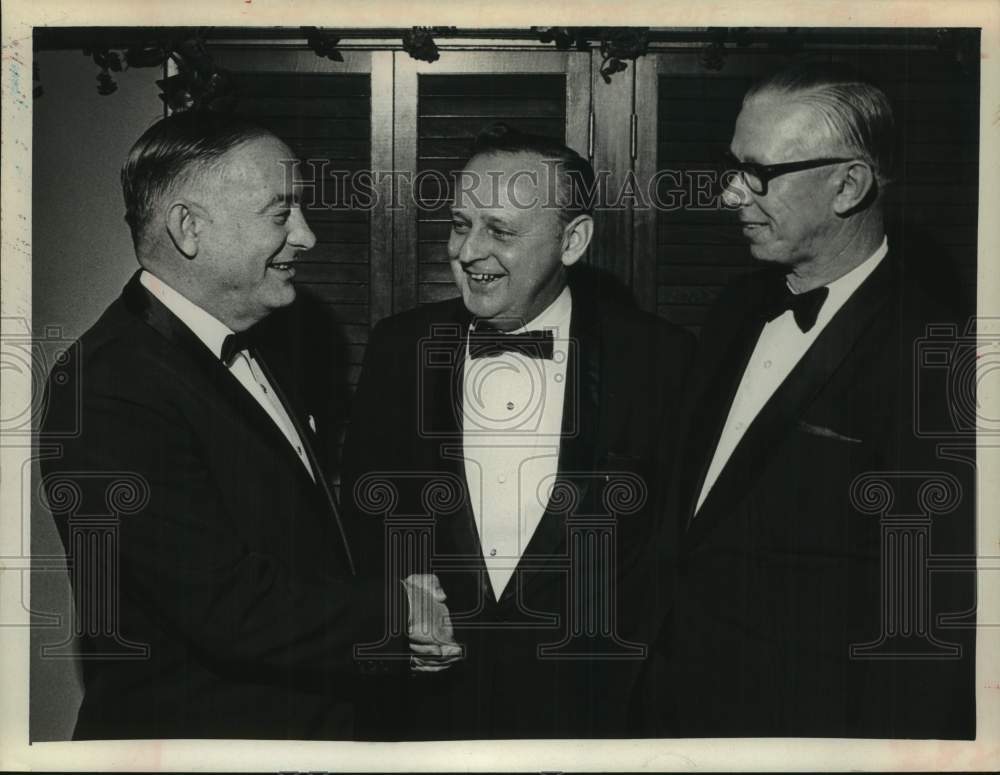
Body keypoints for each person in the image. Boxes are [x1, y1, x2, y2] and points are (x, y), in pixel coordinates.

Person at [39, 112, 458, 741]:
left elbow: (294, 545)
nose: (308, 237)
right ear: (189, 228)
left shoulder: (252, 343)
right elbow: (227, 607)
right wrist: (397, 607)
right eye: (280, 213)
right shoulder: (111, 385)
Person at [638, 61, 976, 738]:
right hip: (672, 713)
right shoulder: (735, 308)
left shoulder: (936, 352)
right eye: (732, 167)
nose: (733, 194)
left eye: (758, 174)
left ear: (848, 184)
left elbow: (923, 627)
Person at [341, 124, 694, 739]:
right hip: (425, 713)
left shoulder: (662, 361)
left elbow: (672, 554)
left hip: (590, 719)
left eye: (499, 230)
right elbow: (363, 518)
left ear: (573, 239)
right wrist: (392, 614)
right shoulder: (399, 347)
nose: (468, 252)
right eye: (459, 224)